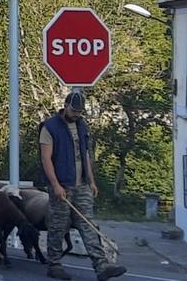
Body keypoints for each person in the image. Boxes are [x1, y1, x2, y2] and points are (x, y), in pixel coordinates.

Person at [39, 92, 126, 281]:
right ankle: (54, 264)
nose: (76, 114)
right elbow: (46, 158)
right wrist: (55, 185)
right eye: (74, 110)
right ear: (66, 106)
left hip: (82, 185)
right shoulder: (50, 127)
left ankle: (101, 266)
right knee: (58, 226)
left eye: (79, 111)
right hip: (62, 185)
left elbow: (85, 154)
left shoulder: (81, 125)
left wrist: (91, 181)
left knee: (89, 225)